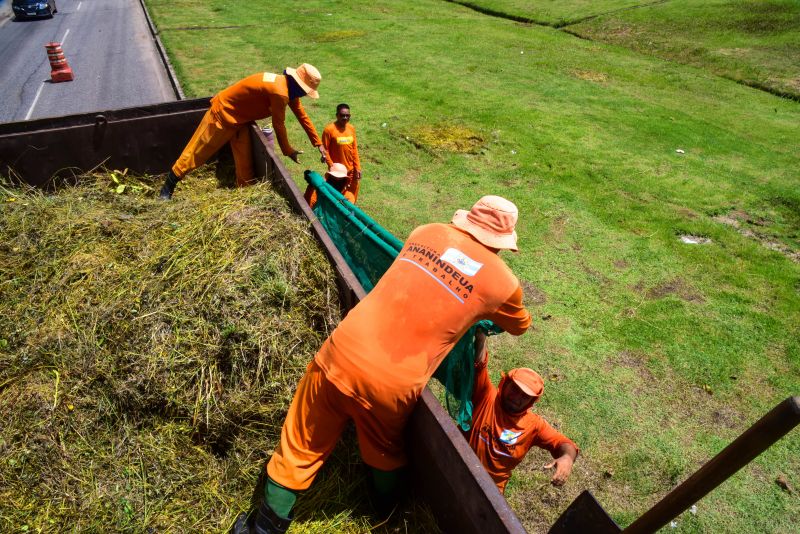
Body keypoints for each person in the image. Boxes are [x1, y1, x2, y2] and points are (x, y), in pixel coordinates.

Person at [233, 195, 532, 534]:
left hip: (341, 351)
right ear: (504, 240)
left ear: (468, 219)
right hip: (393, 383)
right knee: (383, 448)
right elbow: (519, 325)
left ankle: (263, 528)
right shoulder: (505, 284)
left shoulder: (426, 232)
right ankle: (385, 513)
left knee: (300, 442)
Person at [159, 64, 327, 200]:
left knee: (245, 168)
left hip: (241, 121)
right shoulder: (280, 92)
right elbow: (279, 125)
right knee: (197, 152)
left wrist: (318, 143)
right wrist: (287, 150)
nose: (305, 95)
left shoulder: (286, 87)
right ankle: (169, 185)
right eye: (306, 92)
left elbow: (302, 116)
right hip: (222, 115)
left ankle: (243, 201)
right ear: (299, 85)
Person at [464, 329, 579, 494]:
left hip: (488, 493)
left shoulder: (534, 425)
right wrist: (481, 338)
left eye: (525, 396)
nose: (516, 397)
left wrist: (567, 458)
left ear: (531, 402)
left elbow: (564, 444)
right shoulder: (486, 395)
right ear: (505, 383)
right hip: (456, 461)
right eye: (515, 389)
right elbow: (479, 364)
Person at [304, 103, 361, 207]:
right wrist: (332, 167)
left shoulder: (351, 129)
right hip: (337, 173)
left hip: (351, 170)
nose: (345, 118)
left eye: (347, 115)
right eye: (342, 115)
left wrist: (358, 167)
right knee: (333, 194)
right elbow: (325, 150)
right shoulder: (329, 130)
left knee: (351, 195)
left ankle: (349, 212)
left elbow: (354, 149)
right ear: (337, 115)